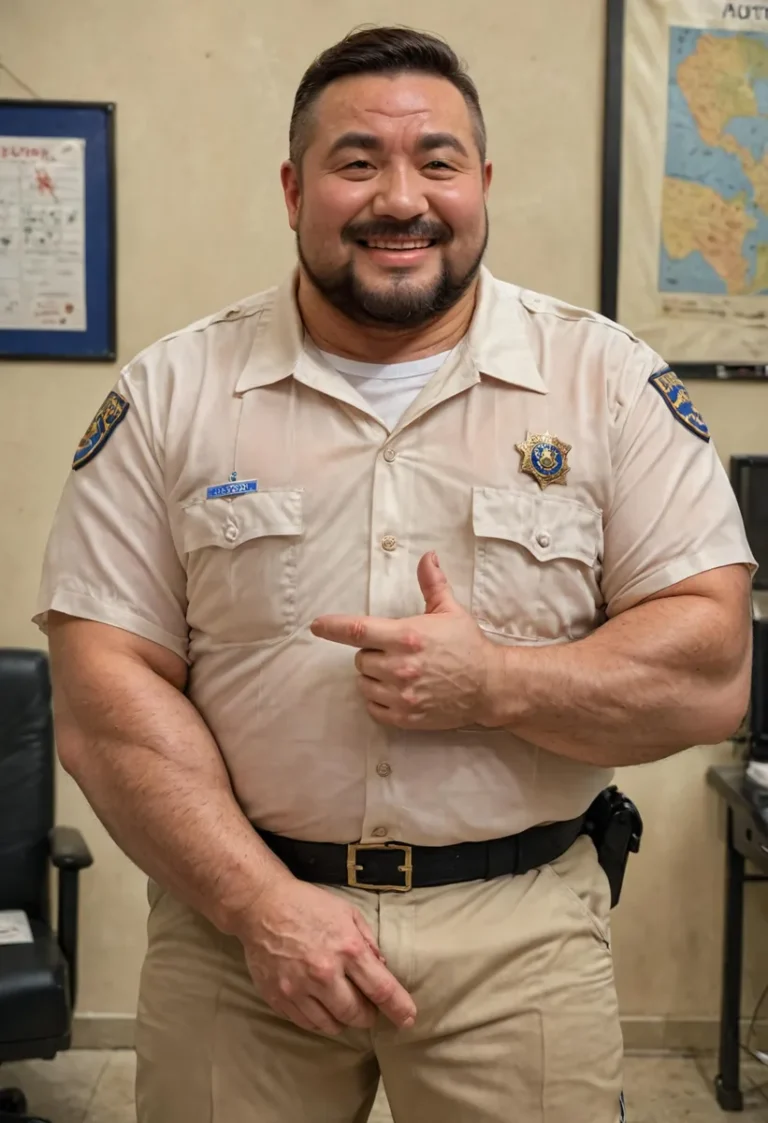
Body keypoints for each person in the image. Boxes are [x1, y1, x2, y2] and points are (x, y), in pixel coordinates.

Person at [35, 25, 754, 1123]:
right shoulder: (173, 394)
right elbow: (103, 696)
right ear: (294, 187)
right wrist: (260, 905)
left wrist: (499, 683)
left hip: (523, 940)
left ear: (484, 183)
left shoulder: (605, 381)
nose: (400, 197)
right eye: (358, 160)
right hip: (239, 937)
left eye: (437, 161)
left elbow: (710, 668)